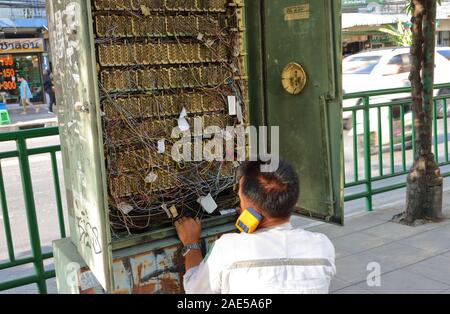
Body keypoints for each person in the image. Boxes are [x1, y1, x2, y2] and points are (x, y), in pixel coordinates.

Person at [175, 160, 336, 294]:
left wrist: (191, 244)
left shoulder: (228, 249)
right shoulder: (322, 246)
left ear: (249, 206)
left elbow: (194, 290)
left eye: (240, 196)